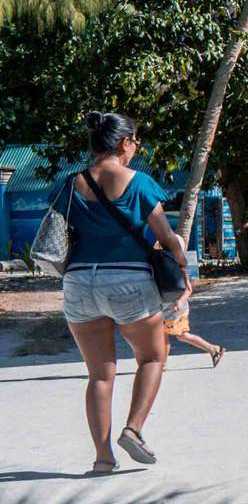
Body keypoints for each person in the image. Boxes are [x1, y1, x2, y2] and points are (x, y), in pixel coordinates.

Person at [49, 111, 188, 475]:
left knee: (98, 375)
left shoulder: (70, 184)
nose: (137, 146)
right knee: (152, 357)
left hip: (79, 282)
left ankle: (102, 458)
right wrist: (182, 265)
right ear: (125, 143)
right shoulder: (139, 182)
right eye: (136, 140)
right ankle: (134, 429)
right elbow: (165, 235)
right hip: (128, 281)